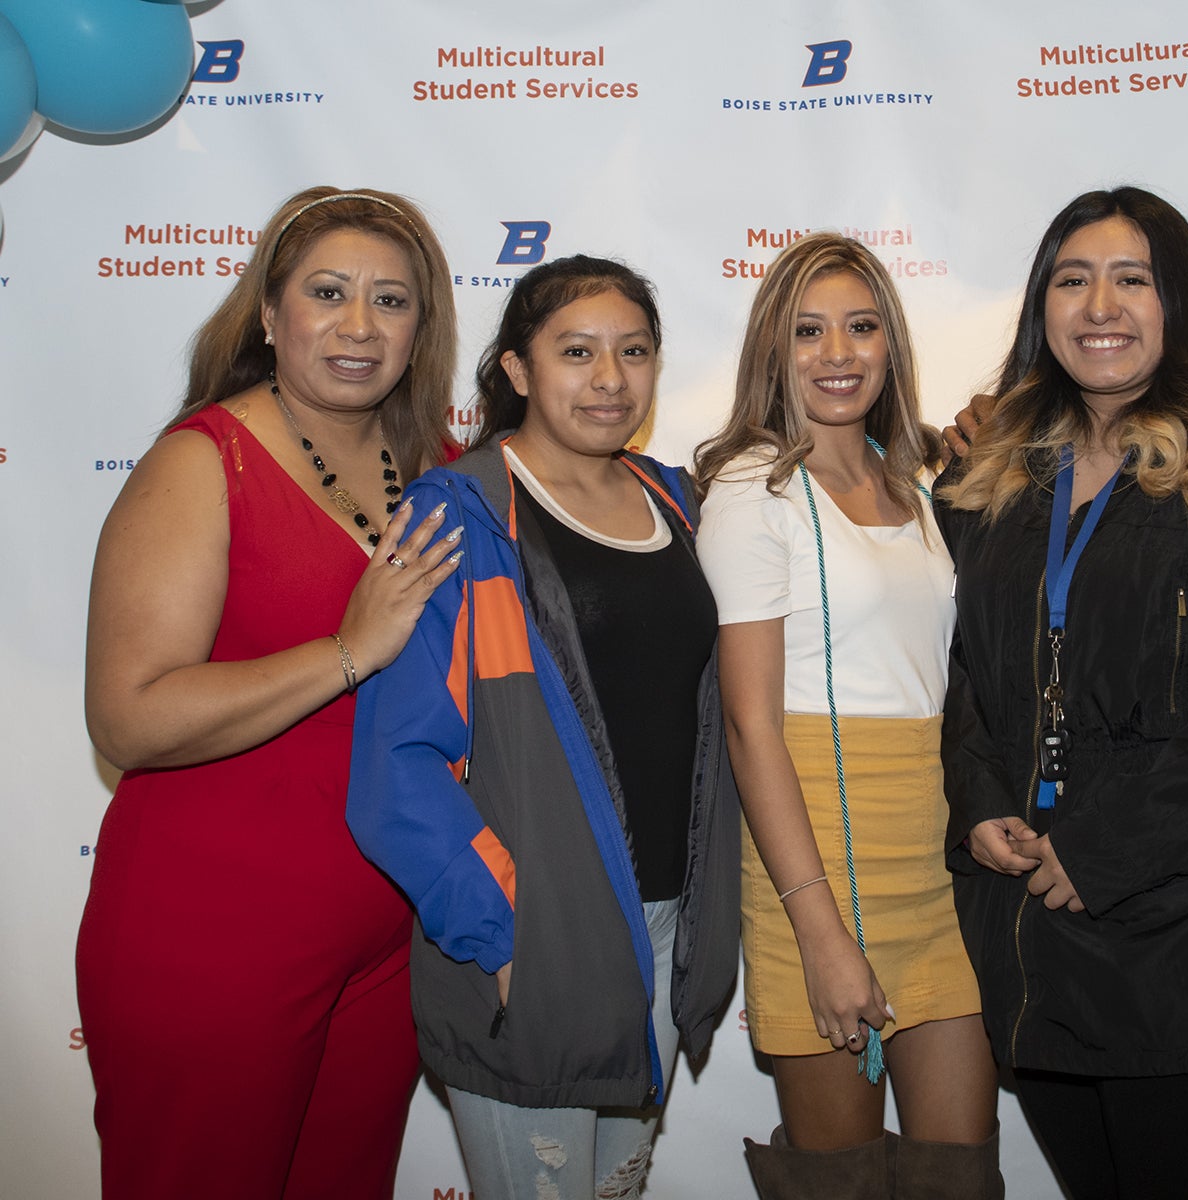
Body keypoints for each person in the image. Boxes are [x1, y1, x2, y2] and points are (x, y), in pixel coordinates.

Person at [934, 186, 1188, 1200]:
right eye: (1072, 281)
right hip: (1034, 933)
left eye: (1133, 280)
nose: (1100, 306)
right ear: (1043, 310)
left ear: (1180, 307)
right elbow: (966, 682)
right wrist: (982, 798)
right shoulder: (990, 487)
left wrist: (1108, 846)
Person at [78, 186, 461, 1199]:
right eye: (328, 293)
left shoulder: (437, 466)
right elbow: (128, 713)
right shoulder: (202, 463)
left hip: (388, 948)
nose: (357, 325)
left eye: (392, 301)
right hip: (213, 939)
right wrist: (346, 652)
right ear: (267, 312)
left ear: (422, 331)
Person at [345, 255, 740, 1200]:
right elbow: (396, 763)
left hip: (662, 927)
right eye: (577, 352)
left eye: (633, 351)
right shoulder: (461, 513)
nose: (610, 379)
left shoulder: (676, 503)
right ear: (517, 370)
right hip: (533, 937)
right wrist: (499, 934)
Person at [693, 232, 1001, 1200]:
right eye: (809, 332)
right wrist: (820, 932)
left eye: (861, 328)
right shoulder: (754, 492)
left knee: (960, 1174)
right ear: (772, 354)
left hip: (935, 863)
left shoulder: (913, 483)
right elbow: (752, 728)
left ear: (890, 345)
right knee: (840, 1185)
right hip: (815, 867)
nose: (838, 354)